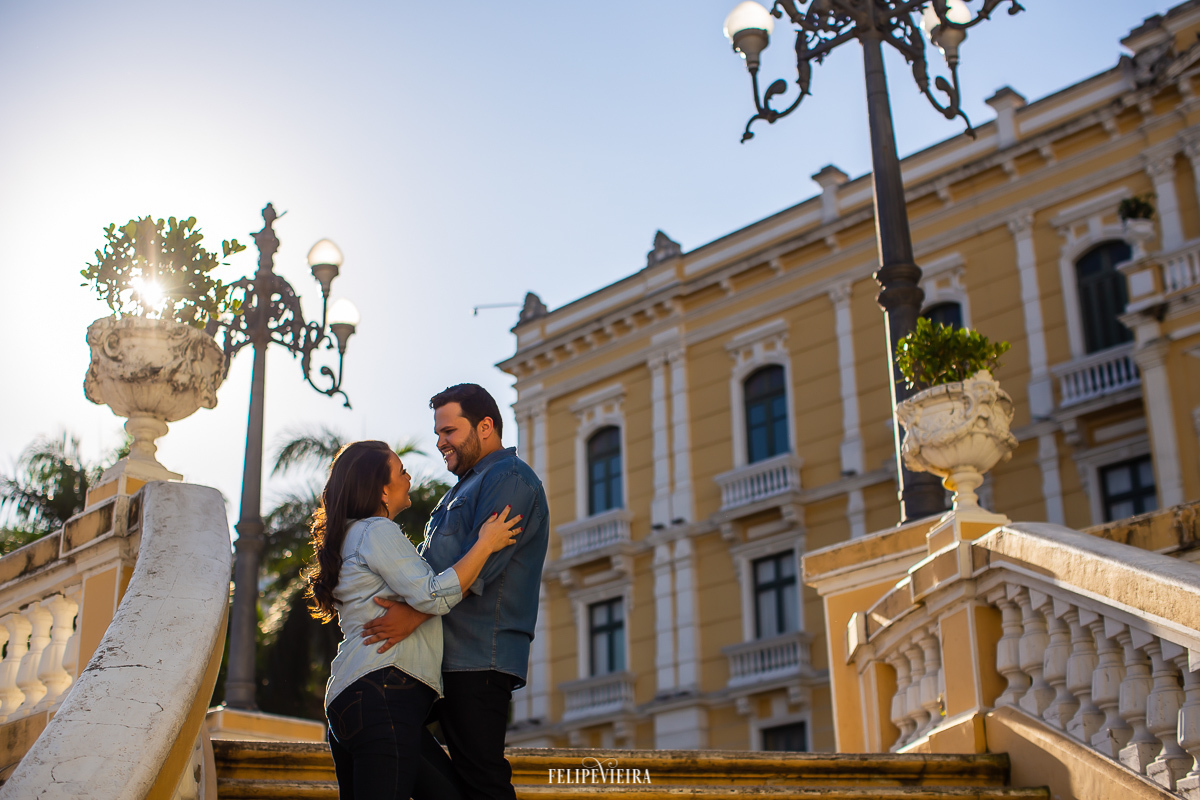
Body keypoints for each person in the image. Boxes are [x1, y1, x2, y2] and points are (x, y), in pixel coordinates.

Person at [362, 384, 549, 800]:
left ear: (485, 426)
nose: (439, 441)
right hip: (438, 655)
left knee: (482, 779)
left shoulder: (510, 479)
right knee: (382, 731)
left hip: (478, 660)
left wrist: (409, 617)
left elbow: (481, 567)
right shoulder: (462, 488)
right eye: (438, 433)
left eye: (449, 431)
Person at [308, 439, 523, 800]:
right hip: (383, 693)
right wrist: (485, 543)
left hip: (351, 700)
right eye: (401, 472)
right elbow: (433, 595)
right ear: (381, 489)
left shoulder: (349, 536)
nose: (408, 478)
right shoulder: (375, 530)